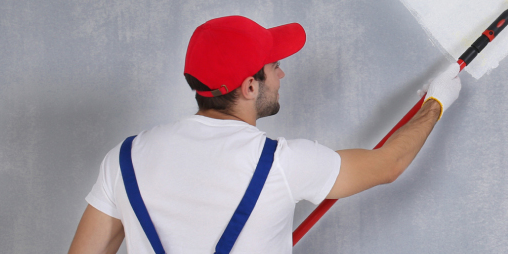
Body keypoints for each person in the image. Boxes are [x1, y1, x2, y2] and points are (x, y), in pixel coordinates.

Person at [67, 15, 461, 254]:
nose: (282, 73)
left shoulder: (125, 159)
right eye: (274, 66)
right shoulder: (281, 164)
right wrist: (436, 103)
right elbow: (389, 164)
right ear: (249, 87)